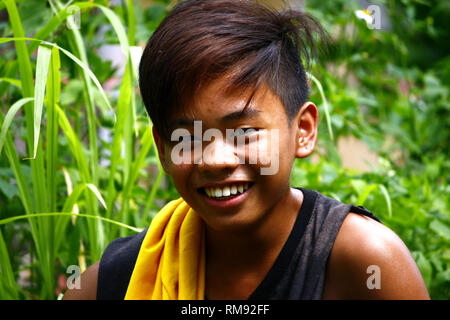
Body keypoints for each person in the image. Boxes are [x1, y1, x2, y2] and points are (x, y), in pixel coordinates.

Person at [63, 0, 429, 300]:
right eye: (187, 138)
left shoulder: (361, 261)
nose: (216, 159)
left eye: (245, 131)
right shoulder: (131, 273)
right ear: (163, 150)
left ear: (302, 130)